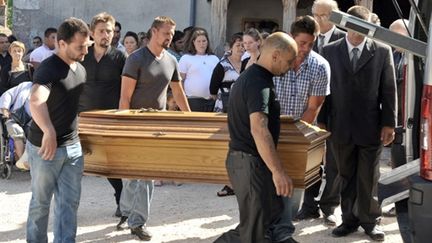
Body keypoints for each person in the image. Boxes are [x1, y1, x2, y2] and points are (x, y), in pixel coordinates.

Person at [319, 6, 396, 241]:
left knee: (369, 176)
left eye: (362, 30)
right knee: (346, 175)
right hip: (339, 126)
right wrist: (322, 121)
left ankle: (370, 221)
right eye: (353, 29)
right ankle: (349, 221)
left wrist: (389, 124)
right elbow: (326, 90)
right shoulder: (330, 50)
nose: (357, 35)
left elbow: (389, 90)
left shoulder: (382, 51)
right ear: (345, 26)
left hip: (370, 126)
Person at [214, 32, 297, 243]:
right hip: (248, 162)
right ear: (276, 55)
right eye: (289, 61)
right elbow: (259, 128)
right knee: (253, 230)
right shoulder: (257, 82)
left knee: (262, 224)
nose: (291, 67)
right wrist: (278, 172)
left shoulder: (255, 78)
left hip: (250, 162)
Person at [116, 16, 190, 241]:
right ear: (154, 32)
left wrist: (191, 119)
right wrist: (123, 127)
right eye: (166, 33)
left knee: (147, 175)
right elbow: (125, 97)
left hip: (157, 126)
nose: (170, 38)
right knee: (130, 175)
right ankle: (126, 211)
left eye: (171, 34)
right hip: (133, 124)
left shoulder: (172, 61)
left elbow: (178, 93)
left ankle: (138, 222)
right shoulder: (135, 59)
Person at [25, 17, 90, 242]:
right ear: (62, 44)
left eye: (86, 45)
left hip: (73, 148)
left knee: (69, 204)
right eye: (79, 46)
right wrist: (49, 132)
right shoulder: (49, 69)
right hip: (46, 149)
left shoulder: (80, 69)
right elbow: (36, 100)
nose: (84, 51)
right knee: (41, 203)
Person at [271, 15, 330, 242]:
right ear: (291, 38)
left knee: (293, 190)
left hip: (300, 133)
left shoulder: (320, 66)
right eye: (302, 43)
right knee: (267, 185)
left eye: (310, 44)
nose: (305, 49)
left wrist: (294, 137)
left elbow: (313, 107)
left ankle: (284, 231)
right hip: (269, 130)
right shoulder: (275, 59)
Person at [294, 0, 346, 226]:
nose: (318, 19)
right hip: (308, 107)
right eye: (315, 14)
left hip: (335, 110)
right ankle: (309, 205)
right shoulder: (303, 39)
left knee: (333, 161)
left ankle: (330, 206)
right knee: (310, 160)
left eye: (324, 15)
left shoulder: (345, 38)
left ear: (334, 16)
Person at [79, 12, 127, 218]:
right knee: (75, 162)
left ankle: (121, 199)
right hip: (82, 116)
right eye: (101, 31)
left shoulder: (119, 57)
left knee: (110, 163)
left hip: (110, 118)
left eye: (109, 31)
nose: (106, 35)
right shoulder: (82, 54)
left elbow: (127, 88)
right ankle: (68, 205)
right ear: (92, 32)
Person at [210, 33, 244, 197]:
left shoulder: (249, 63)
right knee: (226, 144)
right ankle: (227, 181)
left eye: (243, 44)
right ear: (230, 48)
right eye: (238, 45)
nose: (241, 47)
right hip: (225, 106)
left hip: (243, 108)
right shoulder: (222, 65)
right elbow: (212, 90)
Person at [387, 18, 411, 243]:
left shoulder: (414, 57)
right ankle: (399, 206)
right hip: (396, 124)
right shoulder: (393, 56)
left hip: (410, 123)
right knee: (397, 167)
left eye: (397, 37)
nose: (393, 42)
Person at [179, 27, 219, 112]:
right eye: (199, 41)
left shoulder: (214, 58)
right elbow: (180, 80)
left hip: (211, 101)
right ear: (193, 42)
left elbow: (218, 79)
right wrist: (183, 97)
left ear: (207, 42)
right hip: (192, 101)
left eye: (204, 41)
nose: (202, 44)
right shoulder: (186, 58)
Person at [0, 81, 32, 170]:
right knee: (16, 130)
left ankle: (30, 161)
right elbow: (8, 94)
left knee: (35, 131)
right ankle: (23, 161)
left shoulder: (47, 88)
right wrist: (5, 108)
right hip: (15, 118)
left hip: (33, 121)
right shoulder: (26, 85)